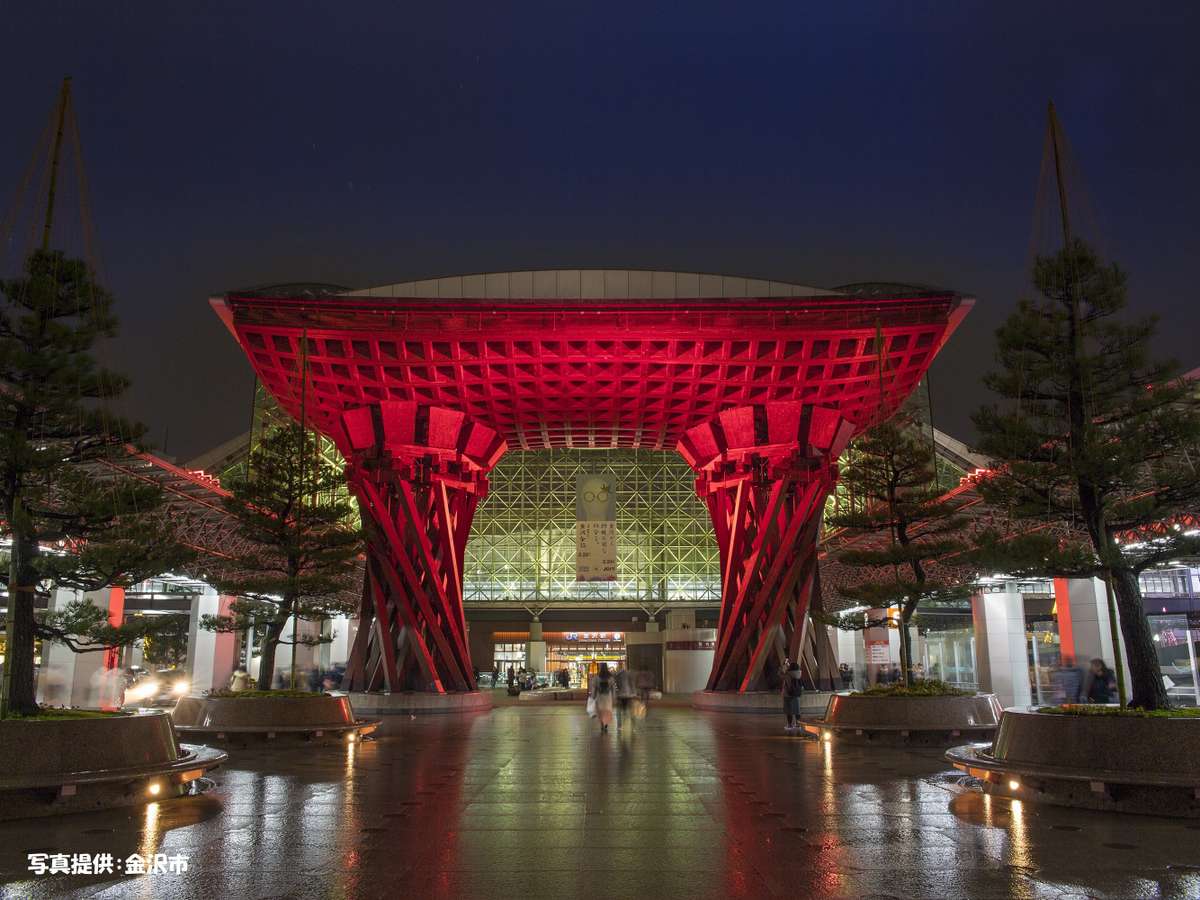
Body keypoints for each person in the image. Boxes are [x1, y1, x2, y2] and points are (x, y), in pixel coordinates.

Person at [590, 663, 615, 733]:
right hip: (608, 696)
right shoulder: (610, 677)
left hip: (600, 696)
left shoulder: (597, 677)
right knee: (607, 710)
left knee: (601, 710)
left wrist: (593, 695)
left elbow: (594, 687)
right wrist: (614, 696)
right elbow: (613, 687)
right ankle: (606, 724)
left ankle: (602, 724)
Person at [781, 660, 803, 732]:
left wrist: (784, 665)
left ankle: (790, 725)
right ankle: (798, 724)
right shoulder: (799, 674)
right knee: (797, 710)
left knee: (789, 711)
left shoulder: (787, 675)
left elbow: (780, 674)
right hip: (796, 694)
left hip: (788, 694)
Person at [615, 665, 636, 730]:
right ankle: (633, 726)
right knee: (631, 710)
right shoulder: (629, 674)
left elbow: (616, 686)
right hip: (628, 695)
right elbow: (632, 684)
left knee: (618, 711)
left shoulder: (617, 675)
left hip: (620, 695)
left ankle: (619, 726)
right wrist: (634, 693)